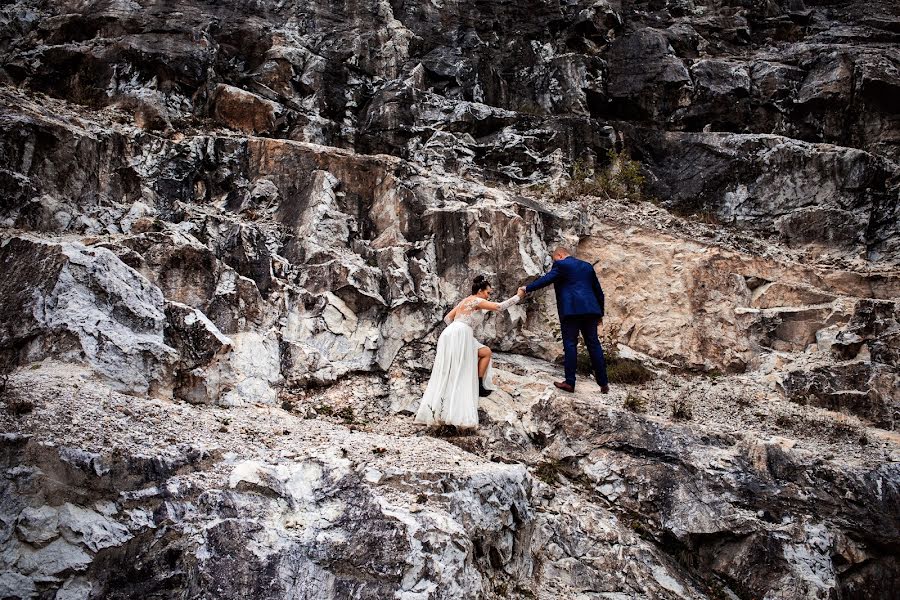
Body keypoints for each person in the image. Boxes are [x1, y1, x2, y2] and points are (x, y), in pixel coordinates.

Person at [414, 276, 524, 430]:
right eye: (488, 293)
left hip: (452, 332)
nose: (488, 296)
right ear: (480, 291)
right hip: (460, 332)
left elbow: (447, 318)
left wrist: (458, 331)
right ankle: (461, 401)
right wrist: (518, 296)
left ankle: (478, 384)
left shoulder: (465, 301)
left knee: (485, 352)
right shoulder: (476, 301)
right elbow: (499, 307)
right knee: (464, 363)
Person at [518, 247, 609, 394]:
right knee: (594, 345)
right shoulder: (587, 266)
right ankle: (604, 384)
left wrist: (526, 288)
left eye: (555, 259)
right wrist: (599, 314)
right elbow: (598, 291)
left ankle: (570, 382)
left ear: (559, 256)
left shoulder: (561, 264)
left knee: (570, 345)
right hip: (591, 310)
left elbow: (546, 280)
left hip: (571, 311)